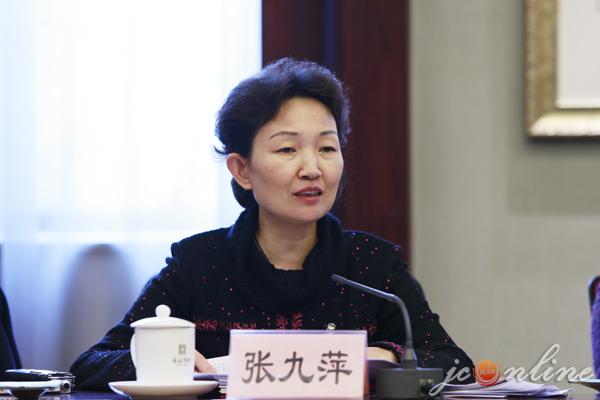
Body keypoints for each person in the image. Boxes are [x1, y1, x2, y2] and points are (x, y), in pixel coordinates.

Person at [70, 58, 475, 390]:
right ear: (242, 170)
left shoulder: (372, 263)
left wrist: (388, 355)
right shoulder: (199, 263)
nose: (312, 168)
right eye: (287, 149)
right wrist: (164, 363)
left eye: (327, 147)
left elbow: (456, 365)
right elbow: (91, 364)